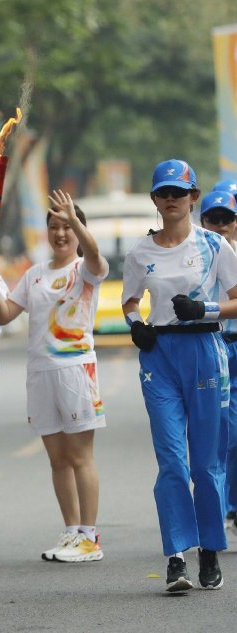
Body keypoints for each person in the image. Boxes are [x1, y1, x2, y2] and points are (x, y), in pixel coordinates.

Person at [121, 159, 237, 592]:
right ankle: (176, 556)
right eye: (162, 192)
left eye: (178, 192)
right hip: (160, 357)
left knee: (206, 462)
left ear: (193, 197)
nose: (171, 199)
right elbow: (130, 300)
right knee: (172, 460)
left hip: (205, 350)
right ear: (154, 199)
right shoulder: (140, 252)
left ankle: (209, 548)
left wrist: (205, 310)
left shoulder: (213, 245)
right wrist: (136, 326)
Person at [0, 190, 107, 562]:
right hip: (39, 372)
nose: (60, 234)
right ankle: (71, 532)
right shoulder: (34, 274)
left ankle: (90, 536)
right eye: (54, 226)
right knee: (57, 459)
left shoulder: (85, 270)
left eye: (67, 227)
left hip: (75, 370)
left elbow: (97, 256)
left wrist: (76, 220)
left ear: (78, 230)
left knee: (80, 455)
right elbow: (6, 315)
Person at [198, 187, 237, 536]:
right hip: (215, 347)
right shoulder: (198, 257)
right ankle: (221, 506)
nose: (221, 225)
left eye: (228, 219)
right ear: (203, 220)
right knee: (222, 430)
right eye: (214, 219)